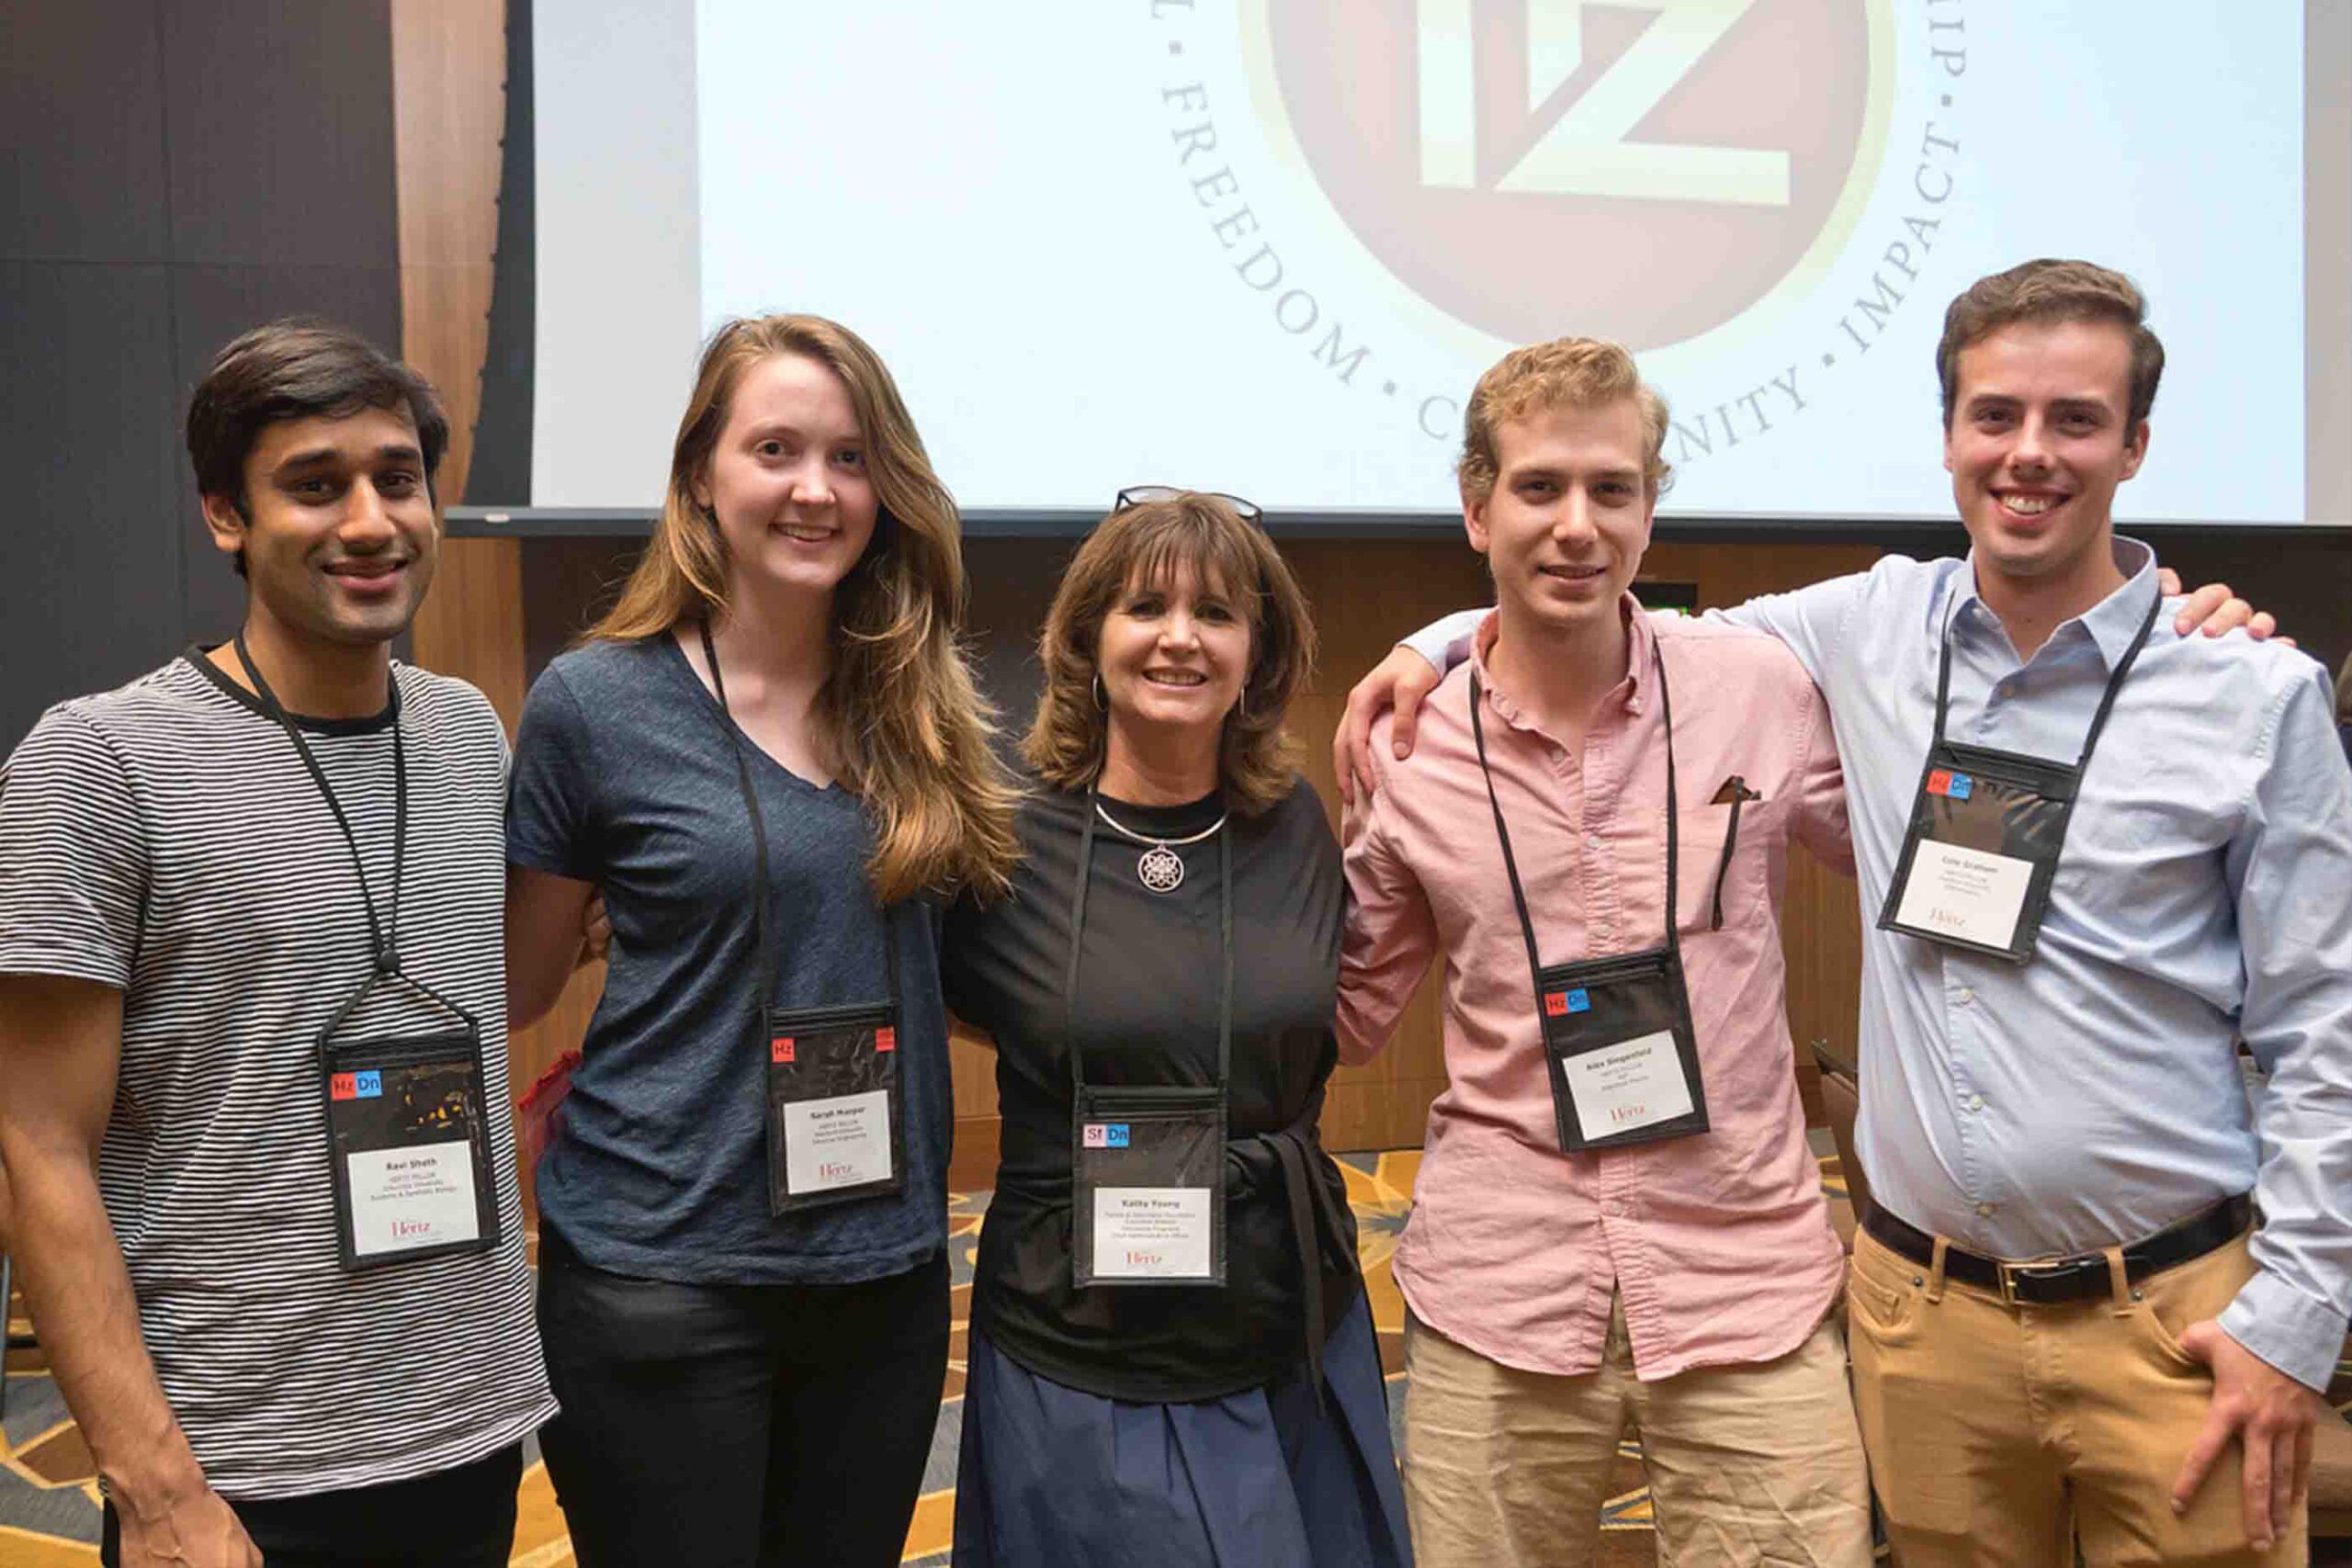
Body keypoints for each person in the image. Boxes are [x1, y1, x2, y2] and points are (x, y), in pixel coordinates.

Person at [1340, 260, 2352, 1564]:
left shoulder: (2230, 688)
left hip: (2082, 1308)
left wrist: (2304, 1306)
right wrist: (1433, 644)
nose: (2029, 452)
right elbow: (1579, 619)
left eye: (2077, 420)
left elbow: (2326, 1019)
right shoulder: (1852, 636)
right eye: (1995, 415)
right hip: (1782, 1311)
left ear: (2137, 445)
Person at [0, 321, 555, 1567]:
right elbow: (35, 1147)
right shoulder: (95, 765)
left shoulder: (469, 735)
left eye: (397, 477)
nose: (370, 520)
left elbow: (485, 988)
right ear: (224, 516)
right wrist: (154, 1489)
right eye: (315, 484)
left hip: (468, 1426)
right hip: (239, 1468)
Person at [1335, 338, 1869, 1566]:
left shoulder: (1758, 689)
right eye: (1539, 487)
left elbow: (1913, 868)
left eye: (1611, 489)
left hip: (1746, 1276)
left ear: (1647, 506)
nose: (1577, 524)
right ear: (1477, 509)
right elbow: (1345, 1007)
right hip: (1503, 1284)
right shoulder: (1408, 747)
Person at [501, 313, 1021, 1567]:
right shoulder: (596, 702)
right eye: (775, 448)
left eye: (849, 457)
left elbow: (962, 965)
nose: (815, 488)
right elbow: (516, 983)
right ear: (700, 477)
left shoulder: (923, 702)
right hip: (661, 1274)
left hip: (882, 1271)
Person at [940, 491, 1412, 1567]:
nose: (1179, 639)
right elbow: (962, 1001)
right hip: (1083, 1342)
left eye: (1217, 614)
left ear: (1258, 650)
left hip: (1286, 1314)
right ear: (1086, 636)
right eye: (1145, 606)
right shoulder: (1005, 837)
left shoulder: (1294, 821)